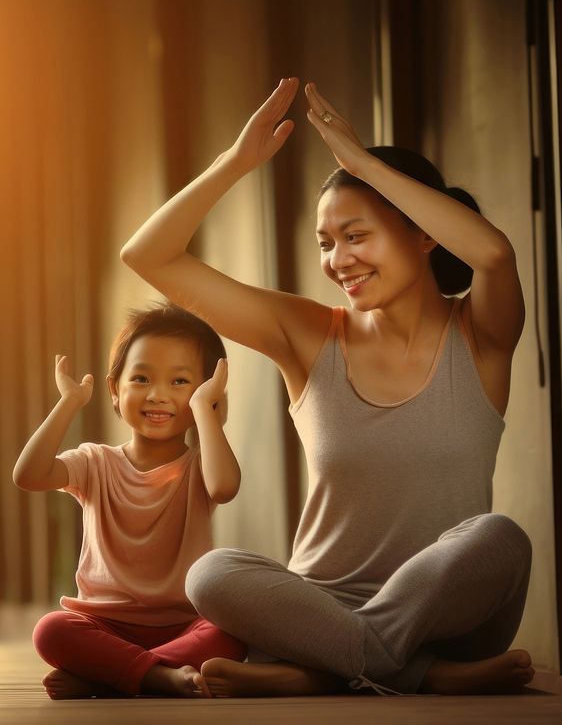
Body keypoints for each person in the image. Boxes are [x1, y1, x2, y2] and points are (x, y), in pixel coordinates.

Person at [120, 77, 534, 698]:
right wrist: (235, 164)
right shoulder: (309, 336)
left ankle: (330, 668)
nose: (337, 260)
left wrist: (363, 164)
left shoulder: (480, 336)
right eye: (326, 243)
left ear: (424, 233)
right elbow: (148, 254)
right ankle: (406, 672)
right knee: (212, 572)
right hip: (315, 611)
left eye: (356, 235)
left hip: (449, 616)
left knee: (499, 539)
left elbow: (495, 255)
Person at [13, 303, 247, 700]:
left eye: (180, 382)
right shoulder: (94, 462)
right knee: (51, 630)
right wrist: (69, 402)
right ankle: (155, 676)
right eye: (140, 378)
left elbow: (224, 487)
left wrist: (207, 411)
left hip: (182, 625)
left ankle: (109, 675)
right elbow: (29, 475)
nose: (157, 395)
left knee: (230, 635)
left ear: (203, 392)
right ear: (114, 391)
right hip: (105, 625)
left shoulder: (202, 467)